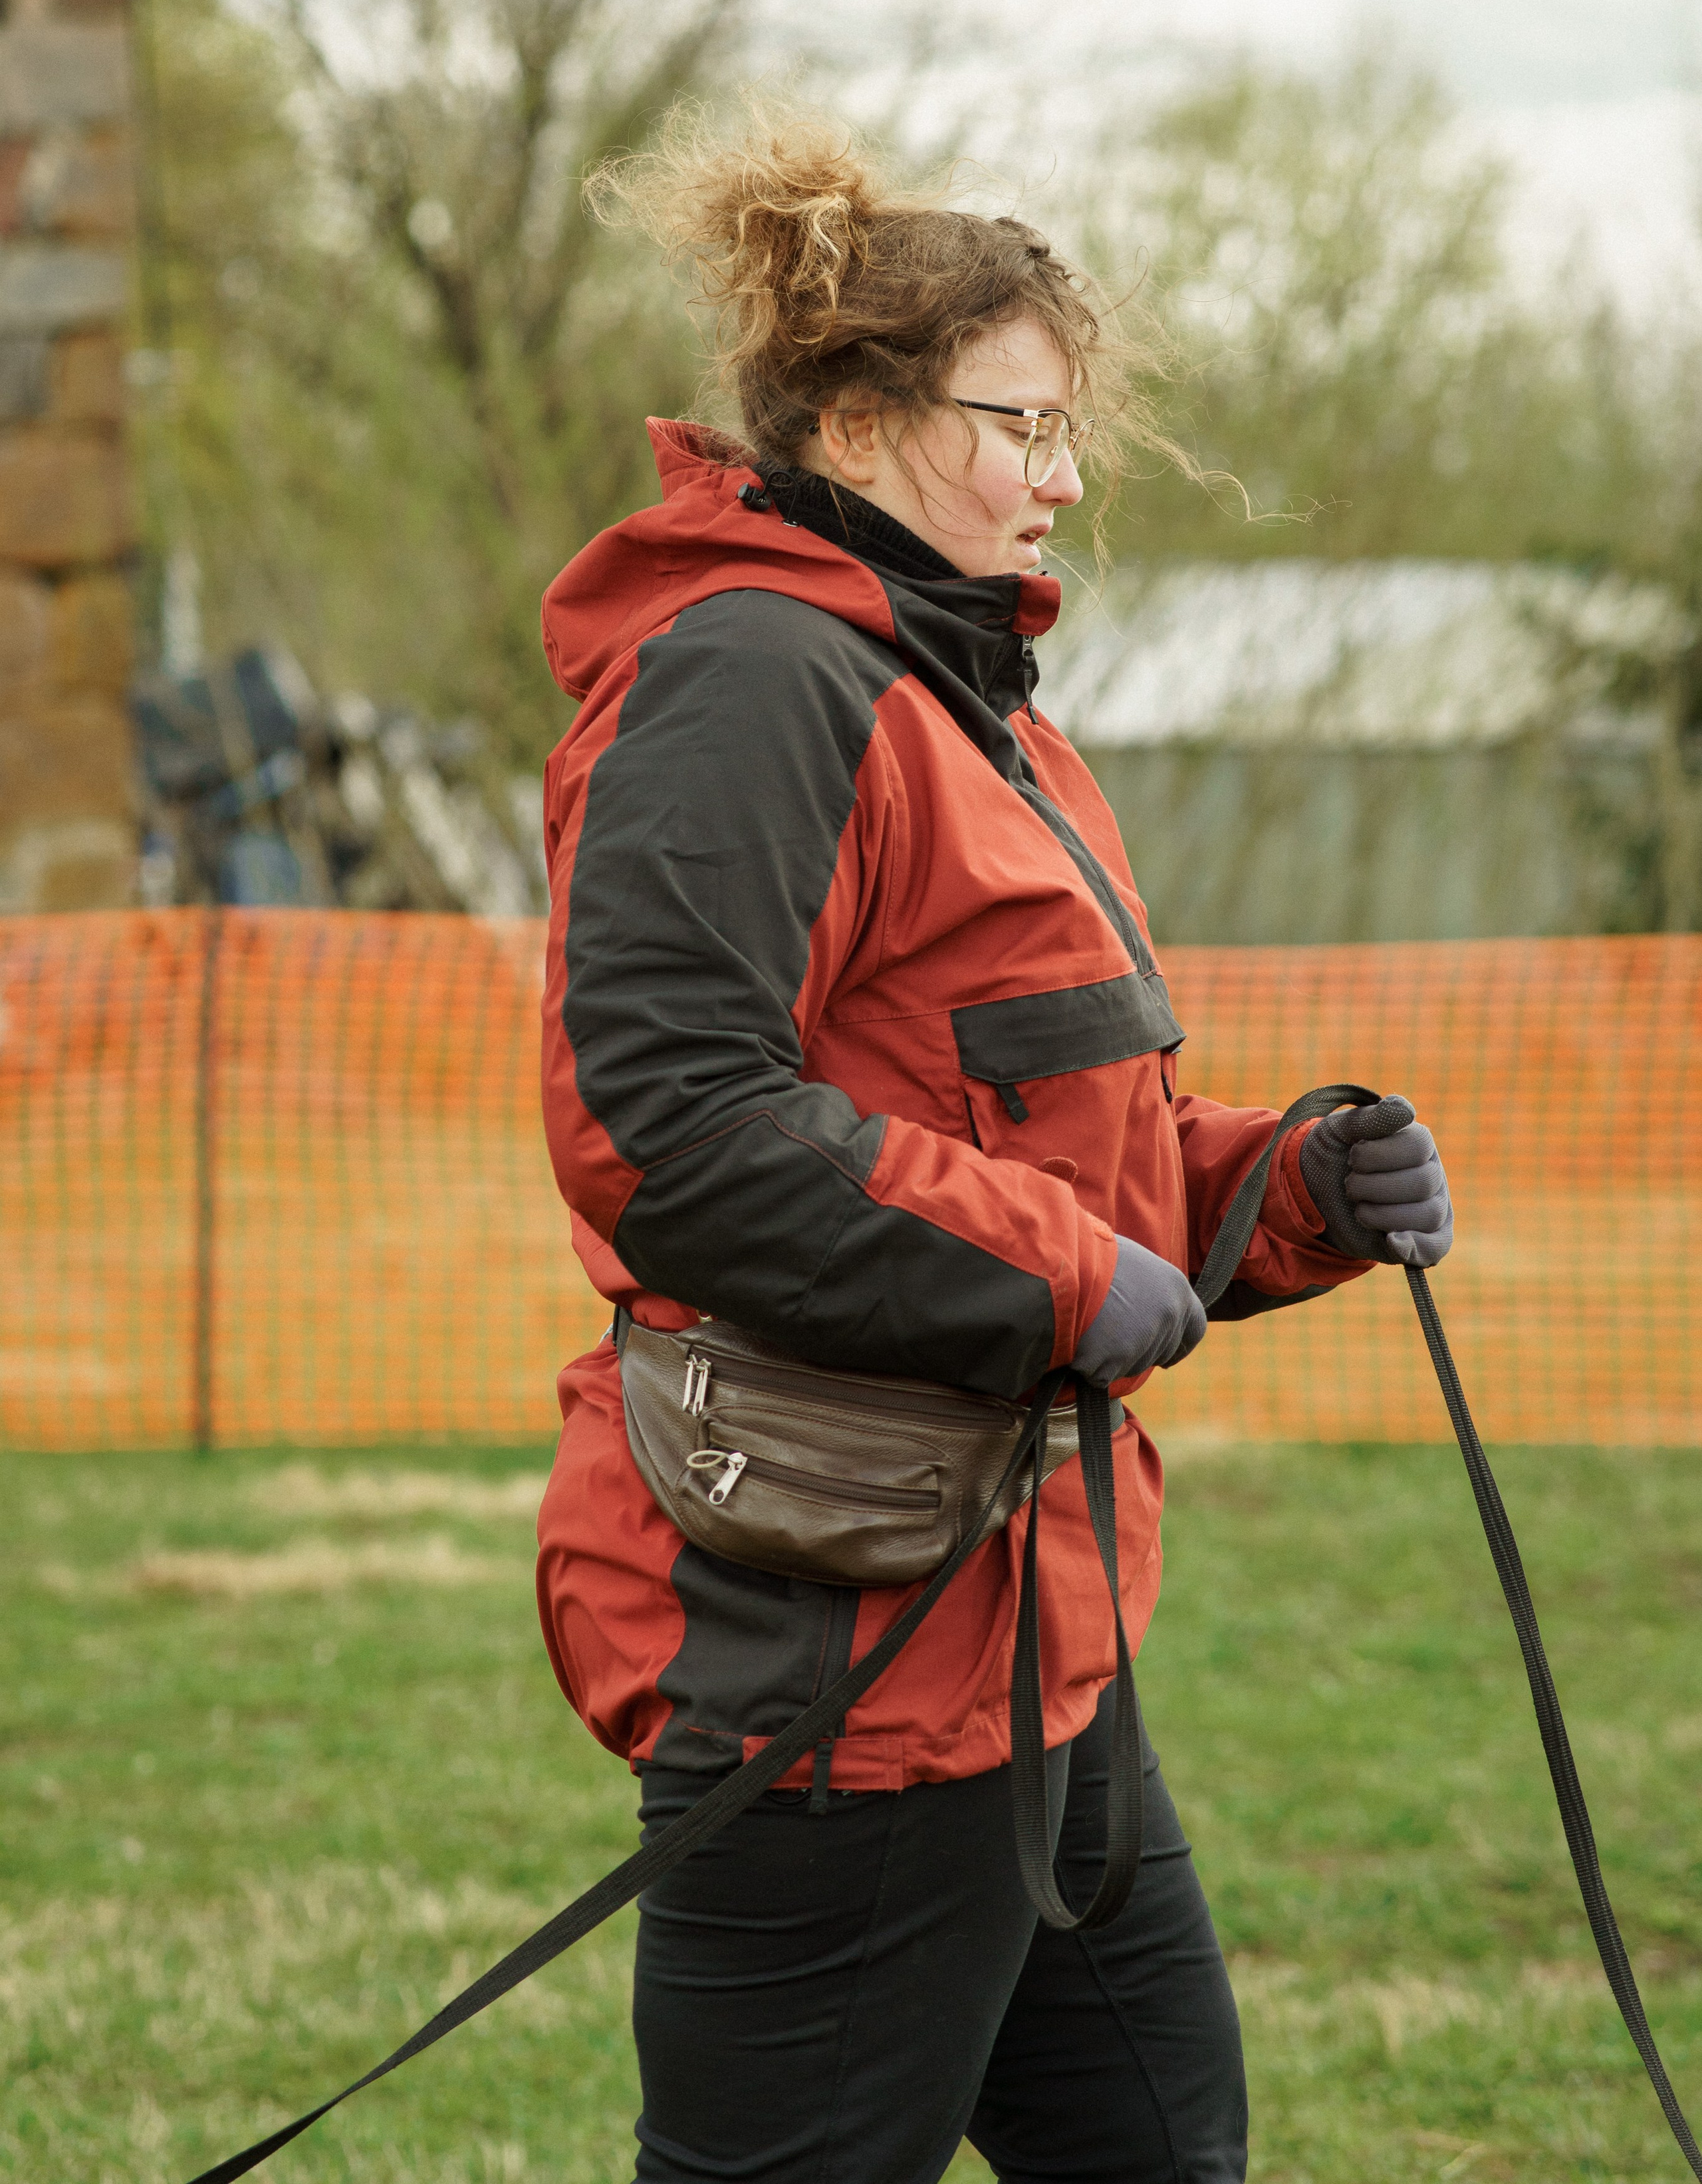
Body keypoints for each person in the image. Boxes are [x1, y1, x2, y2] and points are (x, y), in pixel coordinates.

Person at [534, 106, 1453, 2184]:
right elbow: (667, 1124)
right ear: (854, 423)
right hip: (846, 1653)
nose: (1060, 478)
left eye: (1068, 434)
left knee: (1162, 2149)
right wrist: (1055, 1278)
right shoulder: (753, 677)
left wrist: (1291, 1184)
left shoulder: (975, 699)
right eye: (1016, 425)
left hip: (1043, 1639)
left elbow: (1050, 1137)